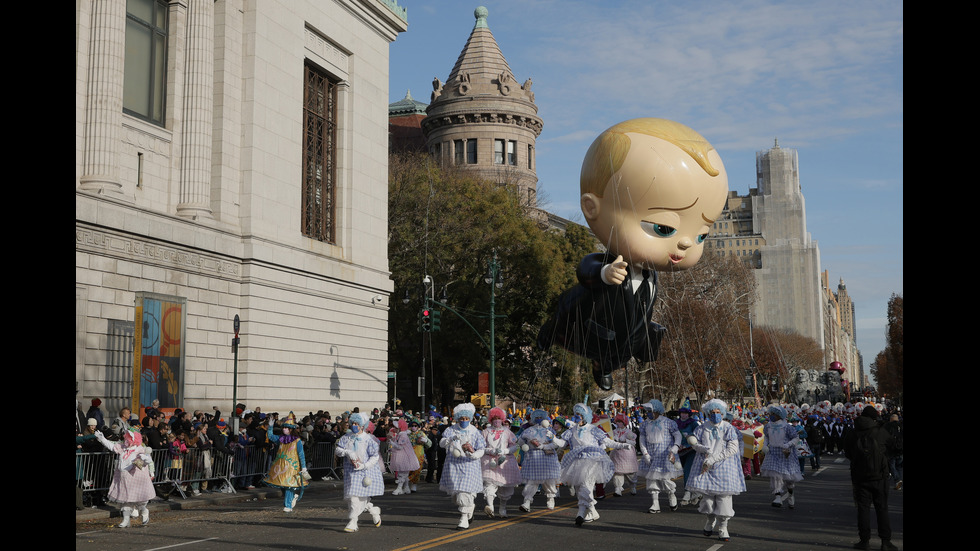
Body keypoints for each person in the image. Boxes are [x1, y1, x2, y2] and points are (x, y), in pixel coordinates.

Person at [538, 118, 730, 389]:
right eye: (664, 228)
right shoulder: (609, 263)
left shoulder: (651, 274)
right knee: (570, 312)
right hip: (591, 327)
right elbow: (586, 269)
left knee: (637, 340)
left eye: (701, 236)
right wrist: (605, 273)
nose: (686, 244)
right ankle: (555, 335)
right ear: (592, 208)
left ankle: (607, 365)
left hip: (628, 336)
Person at [559, 400, 630, 526]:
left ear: (584, 417)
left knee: (586, 485)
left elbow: (608, 442)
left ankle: (588, 511)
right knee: (579, 487)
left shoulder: (593, 429)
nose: (576, 417)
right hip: (576, 462)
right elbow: (562, 444)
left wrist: (623, 445)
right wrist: (551, 438)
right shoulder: (572, 430)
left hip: (591, 462)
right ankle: (584, 512)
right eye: (575, 414)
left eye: (579, 415)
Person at [685, 399, 745, 542]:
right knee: (707, 500)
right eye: (712, 412)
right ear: (708, 413)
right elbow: (695, 444)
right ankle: (710, 521)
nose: (715, 415)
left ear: (723, 413)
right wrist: (703, 449)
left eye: (718, 412)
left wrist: (714, 458)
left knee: (724, 500)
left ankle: (723, 527)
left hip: (725, 466)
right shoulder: (701, 428)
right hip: (705, 467)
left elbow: (733, 448)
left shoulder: (729, 428)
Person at [844, 406, 899, 551]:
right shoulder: (880, 431)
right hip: (880, 476)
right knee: (882, 509)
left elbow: (847, 452)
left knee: (863, 509)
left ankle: (864, 540)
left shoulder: (852, 432)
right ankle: (885, 542)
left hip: (859, 477)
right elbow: (894, 447)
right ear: (874, 418)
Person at [93, 427, 156, 527]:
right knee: (126, 500)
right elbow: (111, 446)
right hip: (123, 479)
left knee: (140, 501)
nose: (126, 440)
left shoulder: (139, 450)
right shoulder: (122, 448)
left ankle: (144, 513)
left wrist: (146, 461)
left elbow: (145, 462)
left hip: (136, 479)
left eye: (128, 438)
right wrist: (102, 439)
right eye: (126, 438)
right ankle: (126, 520)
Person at [439, 403, 487, 530]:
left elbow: (482, 448)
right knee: (456, 495)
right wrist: (450, 439)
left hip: (469, 465)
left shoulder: (475, 432)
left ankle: (464, 518)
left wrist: (474, 455)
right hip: (453, 465)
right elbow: (442, 443)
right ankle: (470, 506)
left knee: (463, 493)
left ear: (470, 418)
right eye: (461, 418)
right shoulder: (450, 430)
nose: (464, 421)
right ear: (458, 418)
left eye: (466, 419)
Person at [335, 412, 383, 532]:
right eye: (353, 423)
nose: (354, 426)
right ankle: (373, 511)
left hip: (365, 473)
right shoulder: (347, 437)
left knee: (358, 497)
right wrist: (347, 452)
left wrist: (364, 465)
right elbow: (338, 449)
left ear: (362, 425)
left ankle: (353, 521)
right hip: (350, 472)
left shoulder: (369, 440)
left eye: (357, 424)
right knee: (354, 497)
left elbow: (374, 456)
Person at [517, 409, 566, 512]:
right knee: (532, 481)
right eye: (537, 417)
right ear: (534, 418)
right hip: (533, 457)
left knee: (549, 480)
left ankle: (550, 498)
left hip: (547, 457)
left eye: (541, 417)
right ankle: (527, 501)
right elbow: (521, 440)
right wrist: (523, 445)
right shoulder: (529, 430)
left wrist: (543, 446)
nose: (539, 419)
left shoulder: (550, 431)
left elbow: (555, 443)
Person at [637, 399, 681, 513]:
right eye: (647, 411)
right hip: (651, 455)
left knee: (665, 478)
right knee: (651, 479)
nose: (648, 413)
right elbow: (642, 439)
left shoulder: (668, 422)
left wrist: (675, 447)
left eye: (650, 410)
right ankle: (655, 503)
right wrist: (645, 453)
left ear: (656, 411)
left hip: (665, 455)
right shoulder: (645, 424)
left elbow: (678, 435)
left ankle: (671, 494)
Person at [760, 405, 804, 509]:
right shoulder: (768, 426)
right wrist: (765, 445)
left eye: (774, 414)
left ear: (780, 416)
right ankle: (778, 497)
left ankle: (790, 493)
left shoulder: (787, 427)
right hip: (773, 453)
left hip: (786, 453)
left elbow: (796, 438)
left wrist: (788, 445)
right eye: (771, 414)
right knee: (776, 475)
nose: (771, 416)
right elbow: (766, 436)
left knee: (789, 480)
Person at [480, 407, 521, 518]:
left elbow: (514, 446)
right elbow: (480, 446)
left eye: (499, 418)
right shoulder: (485, 432)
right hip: (489, 461)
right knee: (489, 484)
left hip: (505, 462)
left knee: (505, 488)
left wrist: (505, 451)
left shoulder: (507, 432)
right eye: (494, 418)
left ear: (502, 419)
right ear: (491, 419)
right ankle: (490, 507)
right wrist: (490, 450)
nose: (496, 420)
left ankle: (502, 508)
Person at [608, 412, 639, 497]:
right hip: (617, 455)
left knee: (631, 473)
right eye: (617, 422)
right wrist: (612, 440)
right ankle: (618, 489)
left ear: (624, 422)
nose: (618, 423)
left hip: (627, 455)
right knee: (617, 473)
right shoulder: (613, 432)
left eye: (620, 422)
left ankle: (633, 487)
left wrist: (625, 441)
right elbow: (608, 441)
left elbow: (634, 442)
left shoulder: (629, 432)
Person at [387, 418, 419, 495]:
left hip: (404, 456)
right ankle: (406, 487)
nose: (394, 428)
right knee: (404, 473)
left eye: (396, 427)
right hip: (403, 456)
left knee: (402, 473)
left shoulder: (403, 436)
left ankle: (399, 488)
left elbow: (400, 447)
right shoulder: (400, 435)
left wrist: (391, 443)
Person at [407, 420, 430, 491]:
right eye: (412, 426)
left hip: (419, 454)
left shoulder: (421, 433)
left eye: (415, 426)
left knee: (418, 469)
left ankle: (413, 483)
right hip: (409, 454)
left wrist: (425, 441)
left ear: (418, 427)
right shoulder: (408, 434)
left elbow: (429, 444)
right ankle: (409, 483)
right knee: (410, 470)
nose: (413, 427)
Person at [884, 413, 903, 491]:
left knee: (892, 466)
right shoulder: (901, 426)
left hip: (891, 449)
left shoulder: (888, 426)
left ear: (891, 419)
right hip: (901, 449)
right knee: (899, 466)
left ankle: (897, 480)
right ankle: (899, 482)